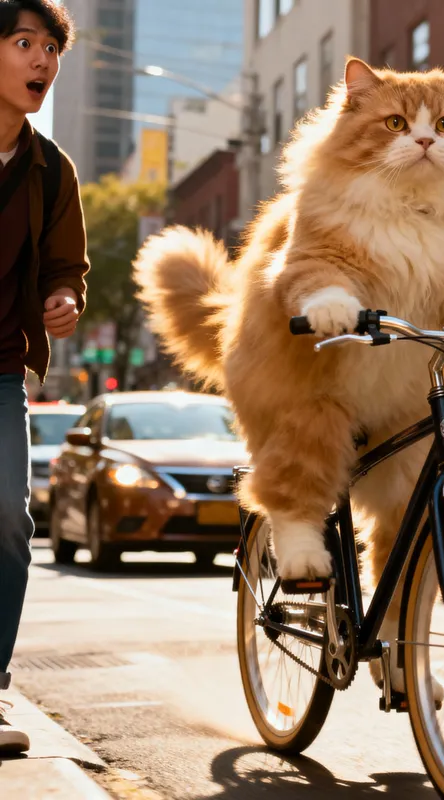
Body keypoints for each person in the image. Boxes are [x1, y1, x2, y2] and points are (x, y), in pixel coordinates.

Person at [0, 0, 88, 753]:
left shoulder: (53, 169)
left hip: (0, 370)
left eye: (51, 48)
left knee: (8, 520)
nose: (41, 61)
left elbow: (66, 267)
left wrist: (63, 299)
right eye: (23, 42)